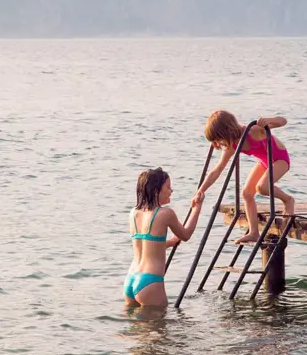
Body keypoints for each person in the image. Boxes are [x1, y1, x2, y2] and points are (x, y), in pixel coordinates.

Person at [193, 110, 293, 244]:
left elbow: (283, 121)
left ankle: (287, 200)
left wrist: (268, 121)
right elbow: (217, 170)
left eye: (218, 140)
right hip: (264, 162)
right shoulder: (232, 145)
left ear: (226, 132)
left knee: (262, 187)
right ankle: (254, 233)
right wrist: (201, 190)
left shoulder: (254, 130)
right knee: (246, 193)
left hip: (279, 159)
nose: (217, 145)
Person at [124, 167, 204, 307]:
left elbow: (147, 246)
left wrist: (171, 242)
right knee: (159, 327)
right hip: (150, 281)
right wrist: (197, 209)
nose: (171, 191)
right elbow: (186, 235)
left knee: (133, 327)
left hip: (131, 278)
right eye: (168, 187)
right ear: (156, 191)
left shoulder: (133, 213)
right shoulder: (165, 213)